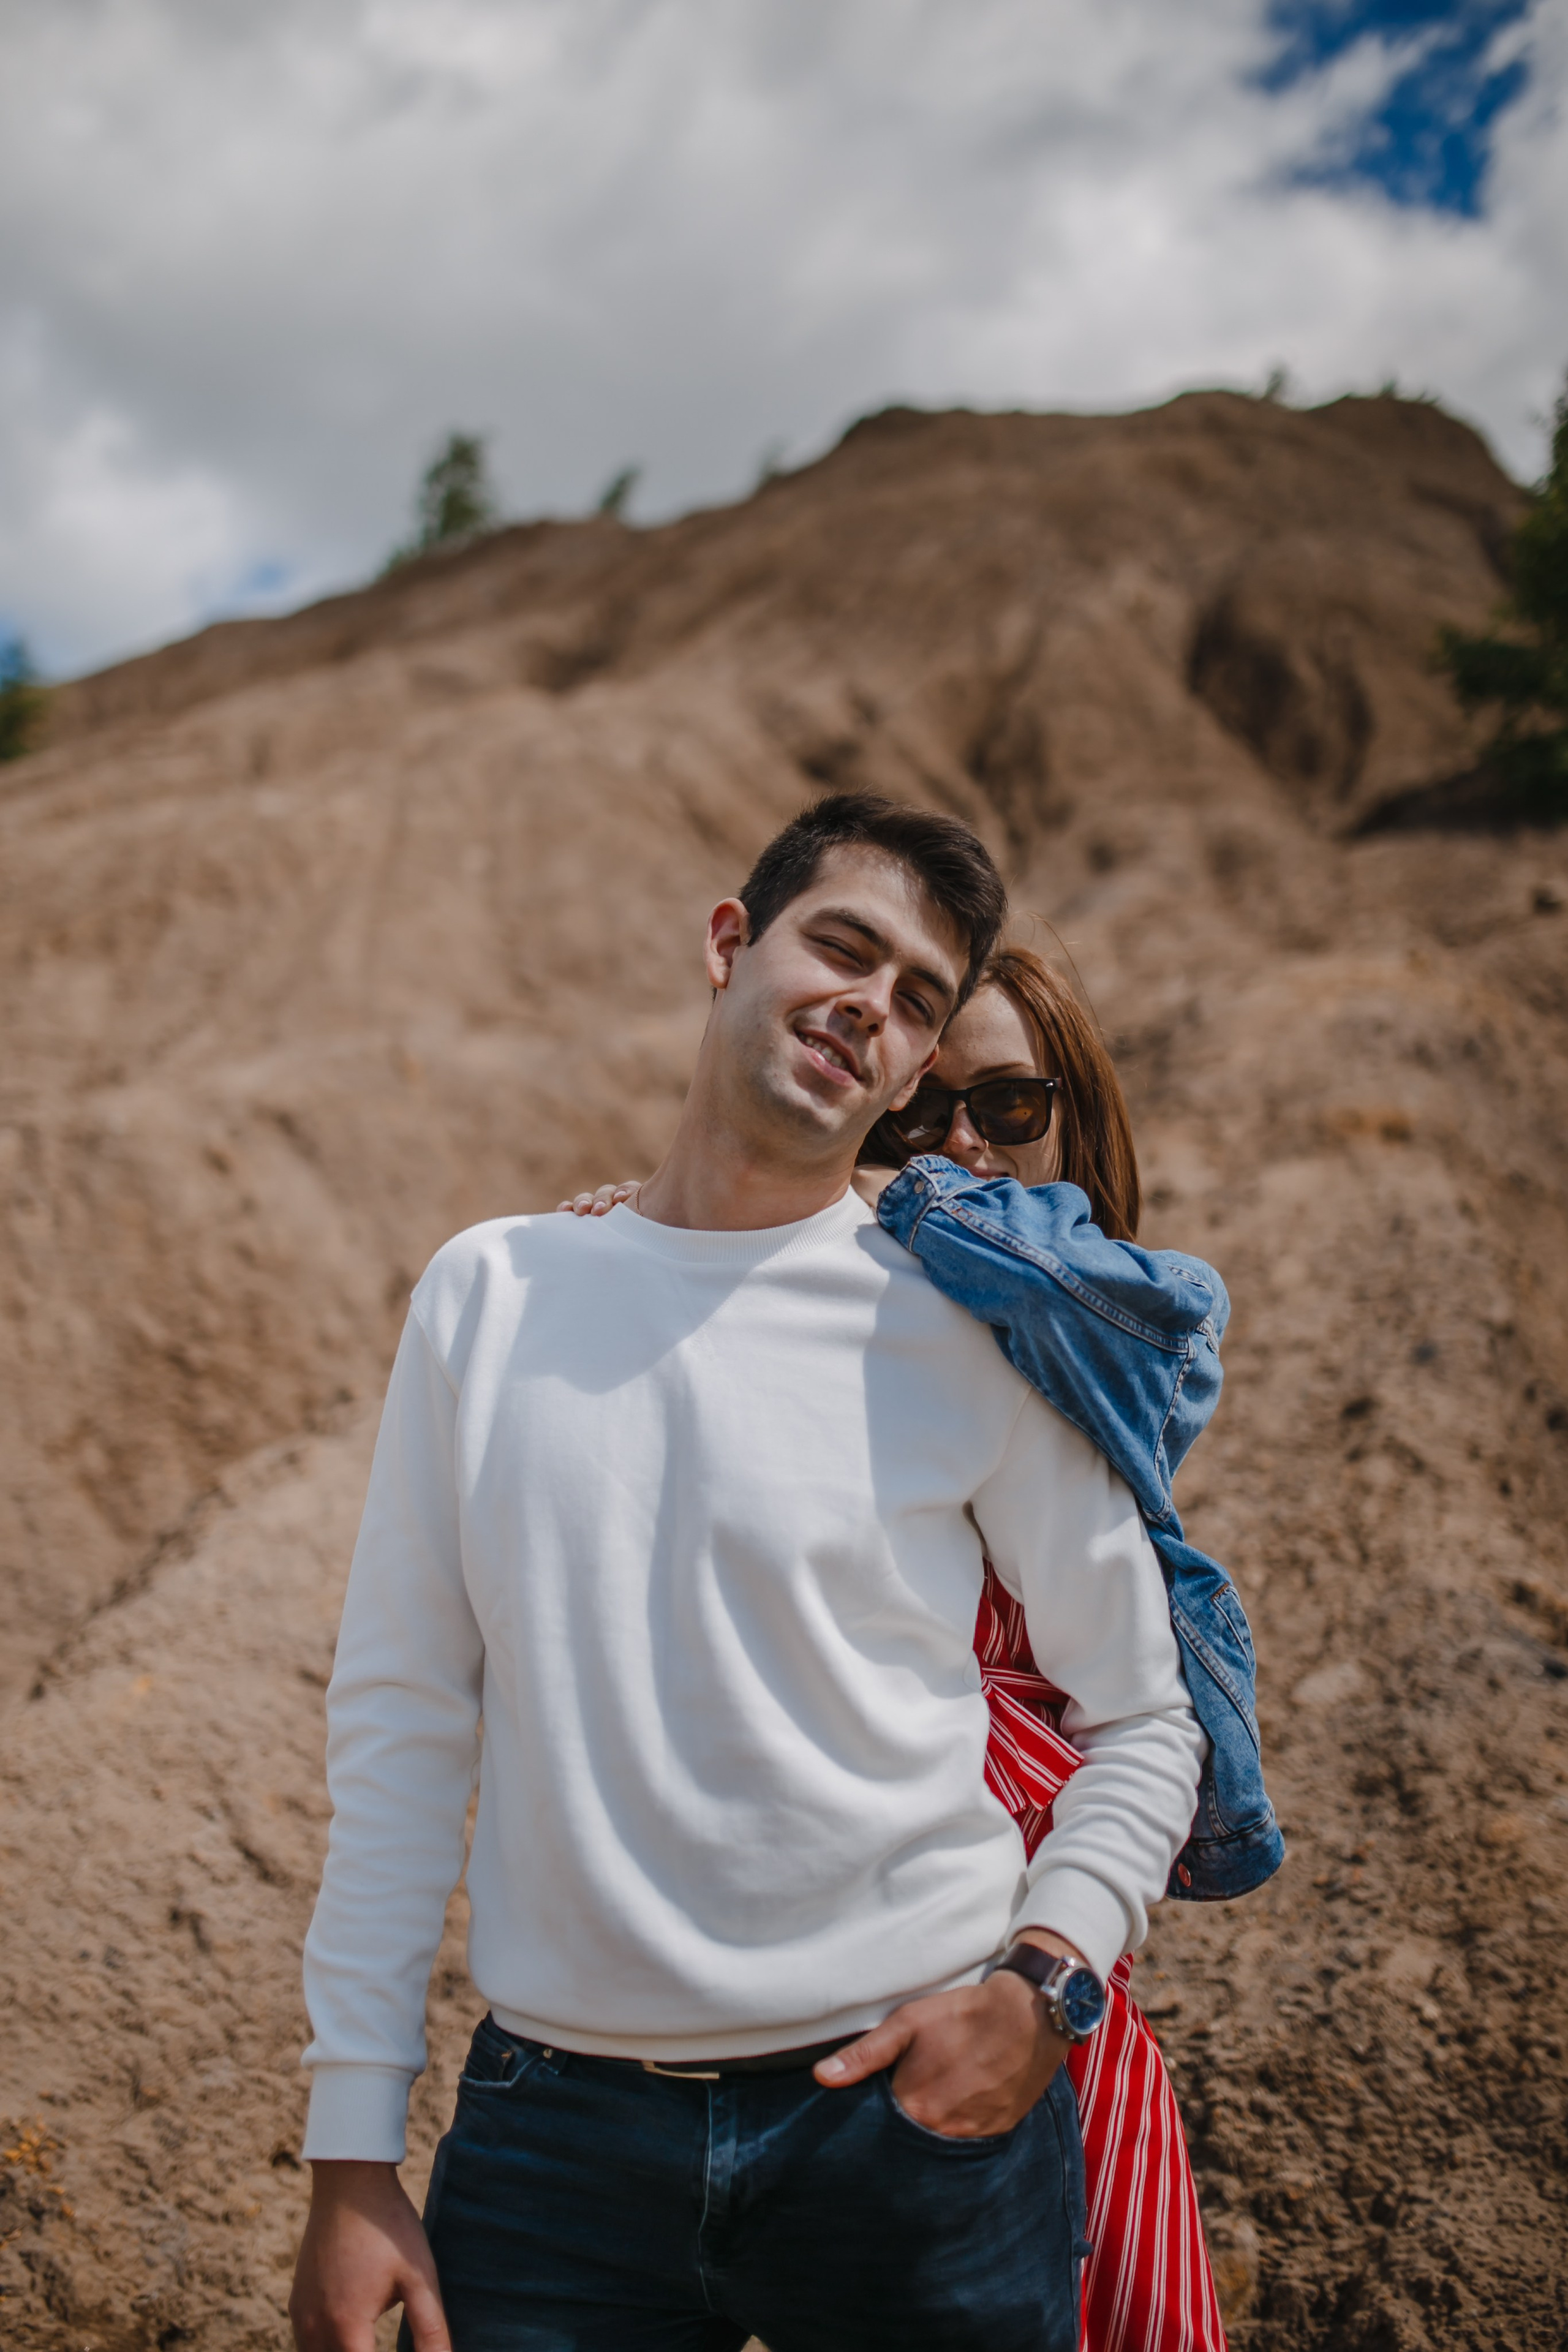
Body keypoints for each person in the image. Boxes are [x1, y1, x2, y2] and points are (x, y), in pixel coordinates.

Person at [290, 792, 1206, 2352]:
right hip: (550, 2149)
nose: (872, 1004)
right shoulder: (489, 1293)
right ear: (729, 942)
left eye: (918, 997)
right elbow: (400, 1730)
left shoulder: (969, 1333)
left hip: (914, 2133)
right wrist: (351, 2152)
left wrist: (1039, 1992)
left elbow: (1146, 1715)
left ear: (917, 1064)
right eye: (840, 947)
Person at [566, 943, 1281, 2352]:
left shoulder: (1107, 1315)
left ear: (1077, 1112)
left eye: (1006, 1107)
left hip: (1005, 1950)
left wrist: (877, 1198)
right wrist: (654, 1242)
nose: (955, 1143)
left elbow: (1134, 1715)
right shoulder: (828, 1319)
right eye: (914, 1115)